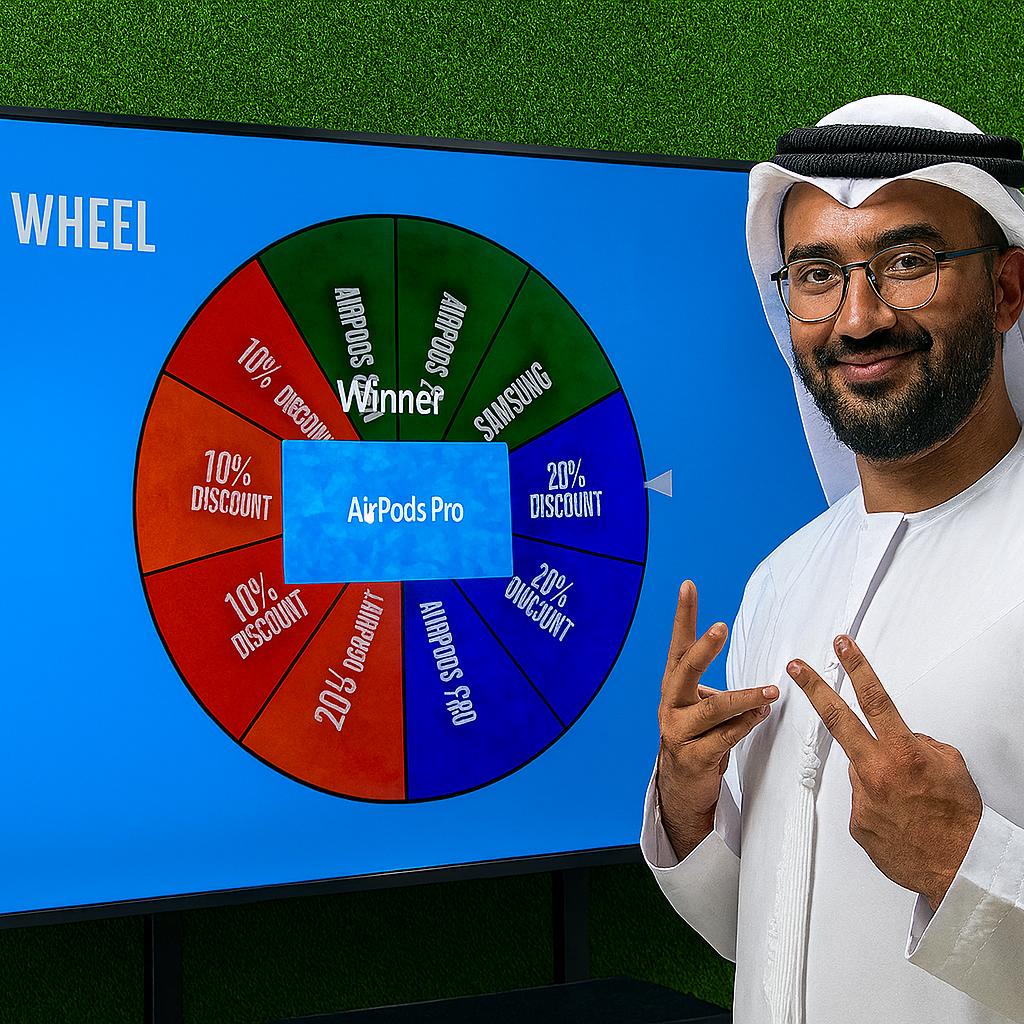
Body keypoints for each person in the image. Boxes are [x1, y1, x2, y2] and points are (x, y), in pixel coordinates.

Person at [641, 94, 1024, 1024]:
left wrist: (963, 864)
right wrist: (689, 800)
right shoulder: (784, 578)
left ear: (1010, 290)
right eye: (817, 273)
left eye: (908, 263)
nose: (858, 319)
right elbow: (766, 933)